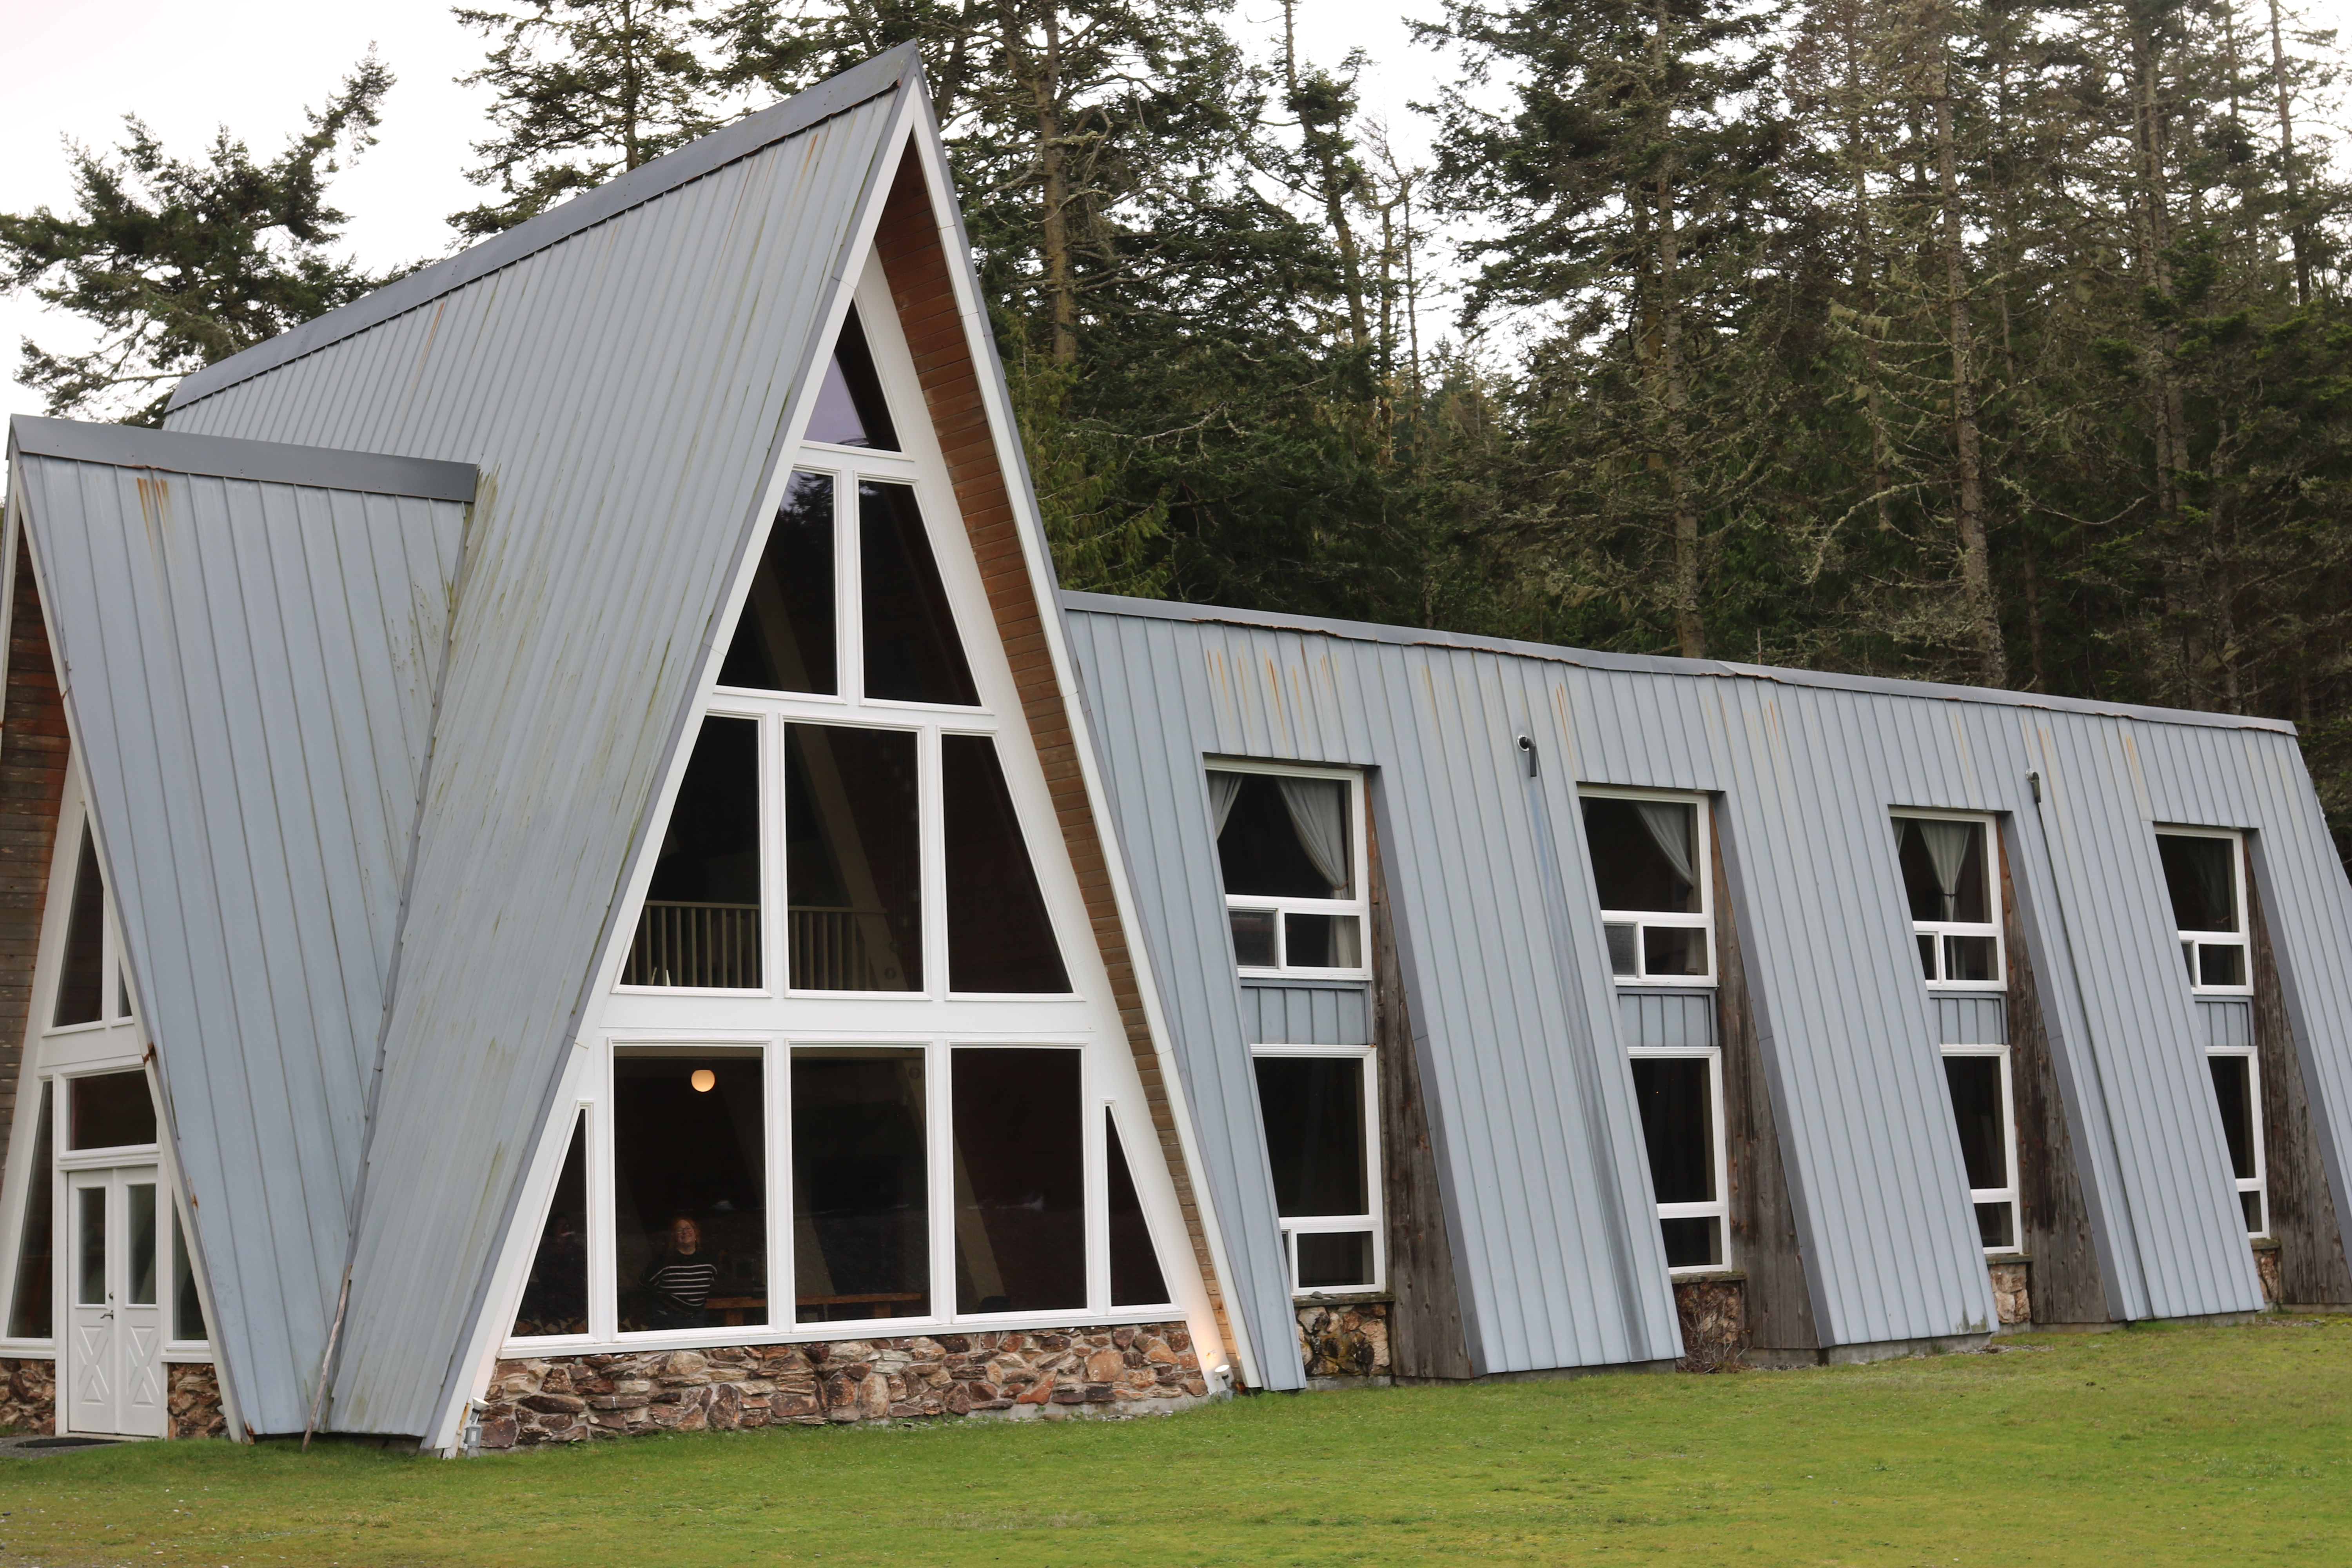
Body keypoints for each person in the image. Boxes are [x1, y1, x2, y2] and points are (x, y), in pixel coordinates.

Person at [641, 1213, 719, 1330]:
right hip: (666, 1319)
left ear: (696, 1232)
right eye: (679, 1230)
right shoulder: (663, 1261)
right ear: (674, 1236)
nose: (685, 1232)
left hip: (697, 1318)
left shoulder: (708, 1260)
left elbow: (716, 1285)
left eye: (688, 1228)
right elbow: (644, 1286)